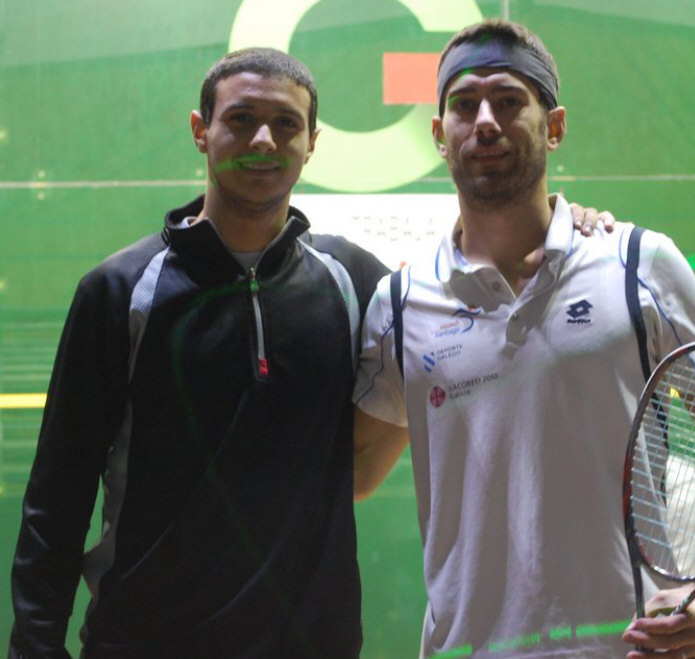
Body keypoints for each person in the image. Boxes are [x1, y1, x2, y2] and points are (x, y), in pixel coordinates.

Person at [7, 47, 609, 659]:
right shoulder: (121, 291)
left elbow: (477, 304)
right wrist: (35, 646)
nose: (263, 139)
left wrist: (571, 228)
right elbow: (57, 498)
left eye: (286, 124)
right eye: (241, 119)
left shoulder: (355, 281)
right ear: (200, 130)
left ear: (312, 143)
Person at [353, 19, 695, 659]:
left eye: (509, 101)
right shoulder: (397, 305)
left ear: (554, 126)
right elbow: (349, 472)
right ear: (440, 135)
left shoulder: (639, 265)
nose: (485, 121)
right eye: (464, 105)